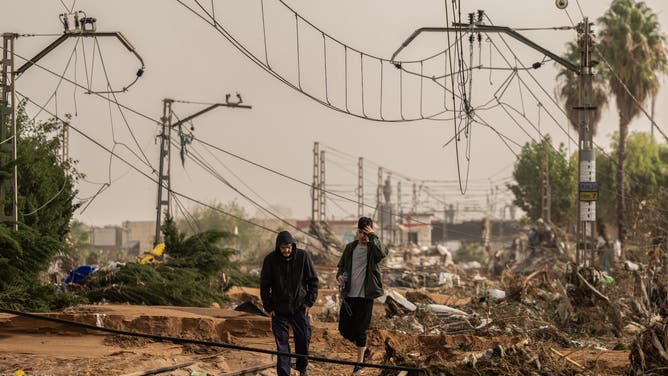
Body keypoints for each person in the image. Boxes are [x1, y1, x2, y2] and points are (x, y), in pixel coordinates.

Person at [260, 231, 319, 376]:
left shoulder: (302, 257)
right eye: (283, 248)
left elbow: (313, 281)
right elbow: (264, 285)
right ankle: (284, 373)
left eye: (288, 247)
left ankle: (302, 368)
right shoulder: (270, 260)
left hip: (299, 308)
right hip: (278, 310)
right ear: (278, 247)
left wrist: (308, 303)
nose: (286, 251)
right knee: (282, 345)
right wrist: (269, 307)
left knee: (303, 339)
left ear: (293, 246)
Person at [336, 217, 388, 375]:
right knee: (344, 329)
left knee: (360, 330)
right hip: (349, 294)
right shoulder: (350, 248)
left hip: (366, 296)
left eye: (366, 233)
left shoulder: (373, 249)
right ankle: (365, 350)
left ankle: (359, 364)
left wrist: (373, 236)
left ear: (370, 232)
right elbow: (341, 267)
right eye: (361, 232)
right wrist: (339, 276)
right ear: (357, 232)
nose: (363, 236)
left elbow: (382, 253)